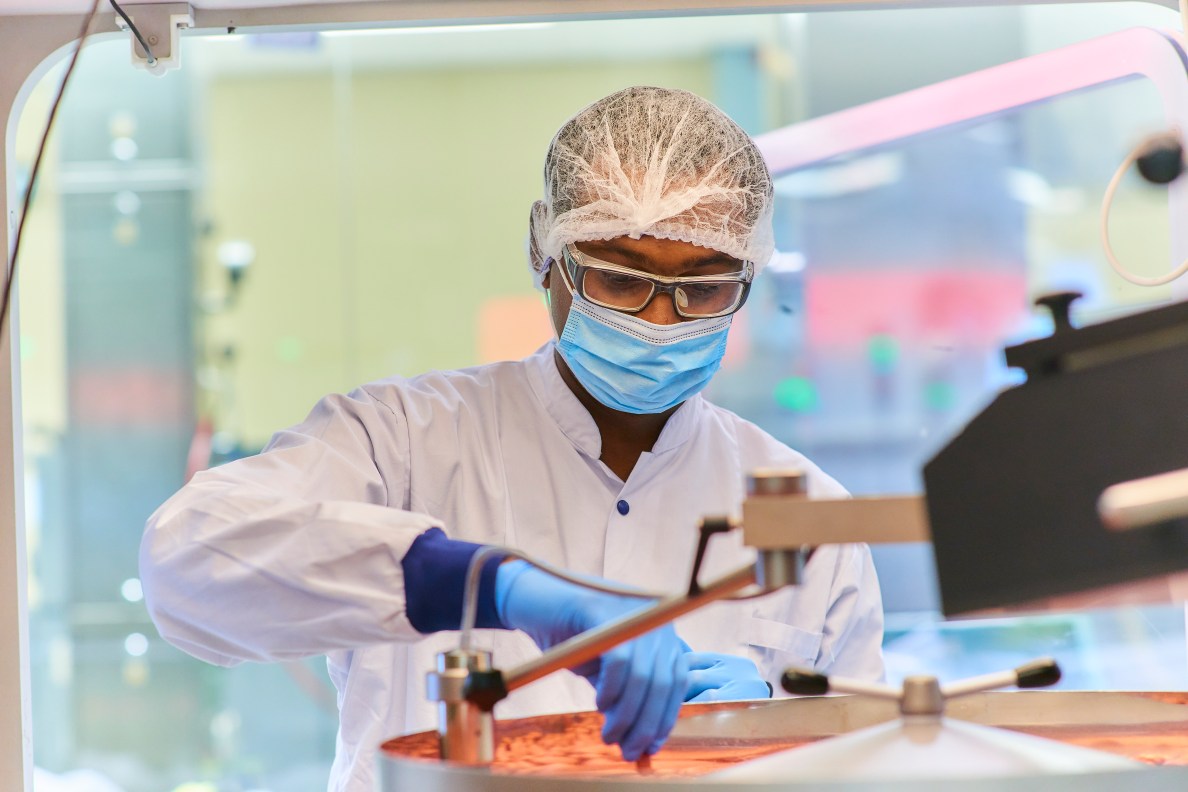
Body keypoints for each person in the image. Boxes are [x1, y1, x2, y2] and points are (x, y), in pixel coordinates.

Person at [140, 85, 884, 792]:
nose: (660, 323)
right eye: (620, 280)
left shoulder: (809, 517)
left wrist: (782, 739)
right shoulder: (404, 443)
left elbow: (871, 769)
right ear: (544, 254)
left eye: (704, 288)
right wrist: (487, 586)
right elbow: (186, 566)